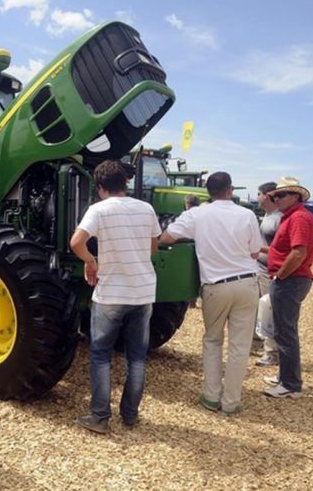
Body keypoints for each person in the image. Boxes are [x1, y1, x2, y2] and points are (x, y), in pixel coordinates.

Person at [70, 160, 161, 433]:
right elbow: (153, 248)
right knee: (137, 357)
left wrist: (90, 261)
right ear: (125, 183)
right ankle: (130, 415)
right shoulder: (146, 209)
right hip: (143, 293)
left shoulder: (99, 209)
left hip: (110, 294)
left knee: (100, 356)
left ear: (100, 188)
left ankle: (99, 417)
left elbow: (76, 242)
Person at [160, 172, 261, 416]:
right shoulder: (247, 214)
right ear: (230, 189)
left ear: (208, 191)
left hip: (215, 285)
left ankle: (211, 395)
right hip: (247, 283)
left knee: (213, 340)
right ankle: (231, 402)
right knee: (240, 345)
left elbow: (166, 237)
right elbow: (255, 252)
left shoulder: (197, 213)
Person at [262, 177, 313, 399]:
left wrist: (280, 275)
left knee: (285, 332)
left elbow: (298, 252)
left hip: (290, 280)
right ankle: (286, 376)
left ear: (296, 196)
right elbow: (288, 251)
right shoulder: (292, 217)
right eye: (275, 195)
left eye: (281, 195)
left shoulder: (299, 218)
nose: (277, 199)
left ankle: (291, 384)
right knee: (282, 331)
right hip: (290, 279)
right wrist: (262, 252)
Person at [253, 181, 282, 366]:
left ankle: (272, 352)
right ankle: (257, 344)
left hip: (270, 272)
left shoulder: (279, 218)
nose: (256, 197)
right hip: (260, 269)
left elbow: (281, 250)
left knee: (270, 312)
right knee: (258, 310)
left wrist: (256, 249)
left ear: (266, 195)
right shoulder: (267, 215)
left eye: (258, 193)